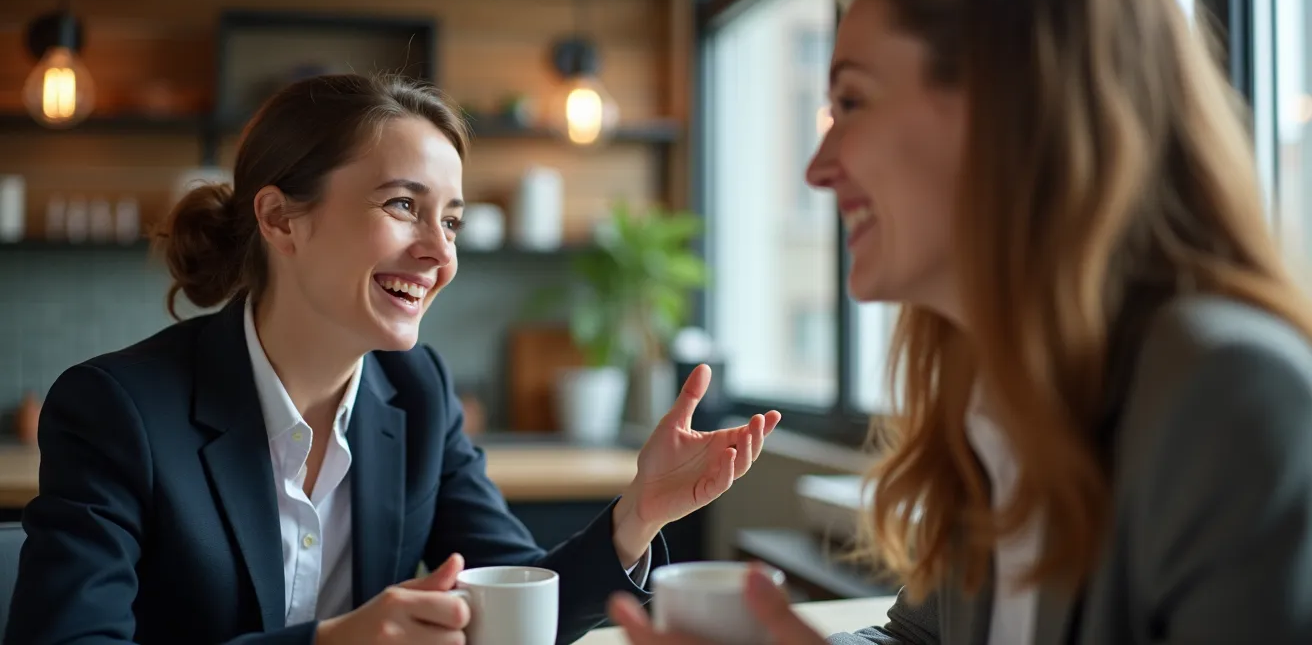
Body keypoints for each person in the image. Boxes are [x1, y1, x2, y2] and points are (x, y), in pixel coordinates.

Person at [609, 0, 1312, 643]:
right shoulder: (990, 398)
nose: (818, 168)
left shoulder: (1233, 403)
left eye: (851, 103)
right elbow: (918, 639)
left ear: (1012, 107)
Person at [4, 73, 781, 645]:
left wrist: (636, 517)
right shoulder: (117, 408)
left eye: (452, 220)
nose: (439, 252)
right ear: (281, 218)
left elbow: (512, 595)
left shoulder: (418, 394)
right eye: (403, 205)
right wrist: (328, 644)